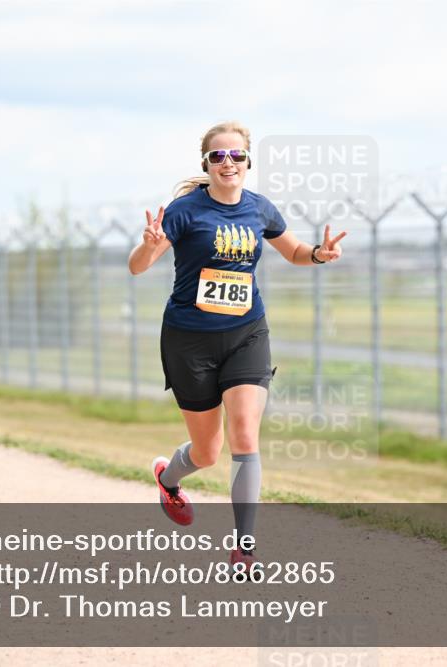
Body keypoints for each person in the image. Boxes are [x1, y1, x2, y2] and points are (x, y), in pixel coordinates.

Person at [128, 121, 347, 573]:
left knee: (245, 432)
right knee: (207, 452)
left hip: (247, 332)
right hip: (189, 340)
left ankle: (244, 547)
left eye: (237, 156)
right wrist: (149, 247)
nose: (228, 163)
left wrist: (320, 255)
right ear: (206, 164)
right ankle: (168, 479)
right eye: (218, 157)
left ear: (248, 162)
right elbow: (136, 267)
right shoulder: (186, 210)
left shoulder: (260, 209)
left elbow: (293, 252)